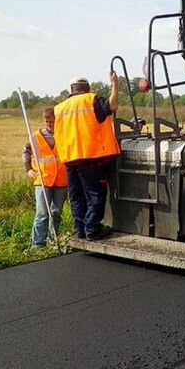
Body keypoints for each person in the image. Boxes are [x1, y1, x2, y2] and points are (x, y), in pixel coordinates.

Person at [54, 72, 120, 241]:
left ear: (71, 89)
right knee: (95, 194)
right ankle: (92, 228)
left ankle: (81, 230)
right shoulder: (91, 100)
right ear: (87, 88)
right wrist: (115, 84)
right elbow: (112, 106)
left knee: (77, 196)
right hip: (89, 156)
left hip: (69, 159)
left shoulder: (60, 107)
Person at [22, 107, 68, 248]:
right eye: (47, 122)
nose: (50, 125)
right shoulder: (35, 137)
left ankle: (53, 240)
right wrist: (29, 169)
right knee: (42, 213)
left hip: (61, 180)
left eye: (53, 122)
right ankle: (37, 245)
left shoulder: (65, 134)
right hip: (43, 179)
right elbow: (26, 152)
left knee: (56, 212)